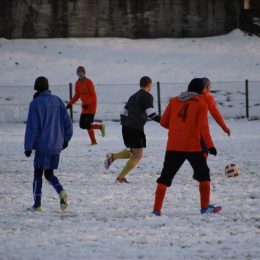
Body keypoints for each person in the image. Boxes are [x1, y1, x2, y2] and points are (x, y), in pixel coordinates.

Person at [152, 78, 222, 216]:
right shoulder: (201, 104)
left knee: (165, 177)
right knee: (203, 175)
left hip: (173, 145)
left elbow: (163, 122)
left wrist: (177, 127)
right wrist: (210, 146)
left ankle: (156, 210)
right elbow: (203, 128)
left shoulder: (173, 101)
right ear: (201, 90)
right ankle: (204, 207)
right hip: (192, 146)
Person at [24, 76, 73, 212]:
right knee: (49, 173)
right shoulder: (57, 100)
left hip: (42, 146)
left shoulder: (35, 104)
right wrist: (66, 139)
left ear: (36, 89)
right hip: (57, 145)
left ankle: (37, 204)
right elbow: (67, 122)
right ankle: (61, 191)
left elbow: (32, 128)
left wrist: (28, 147)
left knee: (38, 173)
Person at [104, 76, 161, 183]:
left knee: (133, 152)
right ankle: (120, 177)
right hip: (135, 128)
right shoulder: (147, 96)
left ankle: (113, 157)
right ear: (149, 85)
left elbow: (122, 113)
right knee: (138, 155)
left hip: (126, 127)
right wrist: (164, 122)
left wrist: (126, 122)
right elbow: (151, 114)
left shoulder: (133, 96)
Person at [66, 66, 105, 146]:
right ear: (77, 73)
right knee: (82, 125)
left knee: (87, 124)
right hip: (84, 106)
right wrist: (70, 103)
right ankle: (101, 127)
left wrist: (87, 103)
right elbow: (77, 95)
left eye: (81, 71)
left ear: (84, 73)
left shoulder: (89, 82)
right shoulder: (77, 83)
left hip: (91, 106)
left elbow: (93, 96)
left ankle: (94, 142)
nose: (80, 73)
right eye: (79, 71)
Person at [199, 77, 231, 161]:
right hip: (199, 129)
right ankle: (199, 172)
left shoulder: (184, 96)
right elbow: (215, 113)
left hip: (182, 129)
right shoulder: (206, 97)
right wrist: (224, 127)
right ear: (208, 86)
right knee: (203, 151)